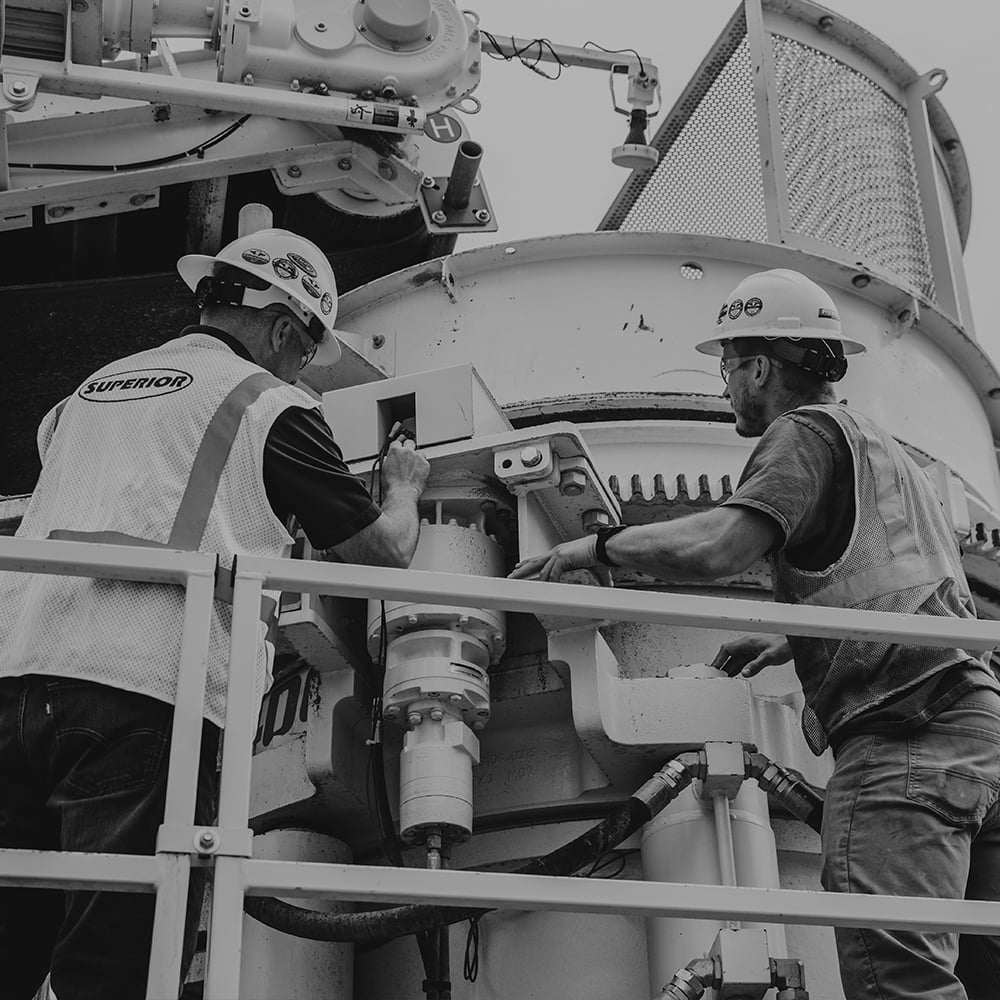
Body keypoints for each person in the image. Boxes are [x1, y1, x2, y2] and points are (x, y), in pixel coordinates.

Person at [510, 268, 1000, 999]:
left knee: (896, 981)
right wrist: (792, 642)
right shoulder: (887, 451)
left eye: (729, 367)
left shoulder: (802, 433)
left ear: (762, 367)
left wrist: (594, 548)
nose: (726, 386)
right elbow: (905, 597)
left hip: (903, 733)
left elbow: (720, 546)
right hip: (978, 734)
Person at [0, 228, 430, 1000]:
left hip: (15, 683)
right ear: (284, 330)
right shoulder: (268, 402)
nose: (303, 371)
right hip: (143, 687)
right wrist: (403, 486)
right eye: (308, 354)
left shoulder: (86, 394)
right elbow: (382, 551)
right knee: (119, 964)